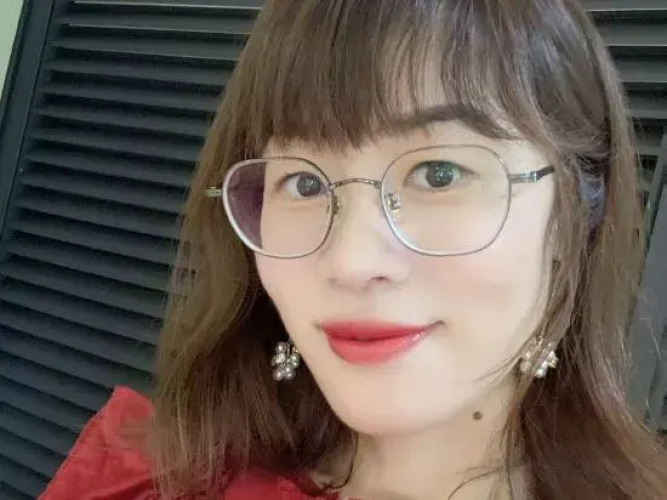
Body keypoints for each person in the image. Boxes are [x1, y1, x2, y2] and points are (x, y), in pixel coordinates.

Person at [40, 1, 667, 499]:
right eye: (304, 184)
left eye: (439, 174)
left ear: (574, 213)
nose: (351, 263)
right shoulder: (154, 479)